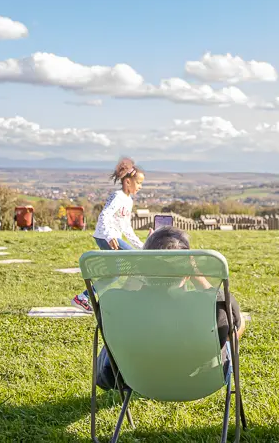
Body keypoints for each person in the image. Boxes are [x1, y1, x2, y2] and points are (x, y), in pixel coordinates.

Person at [93, 227, 245, 391]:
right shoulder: (216, 305)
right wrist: (197, 276)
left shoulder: (115, 303)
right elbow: (235, 332)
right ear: (187, 272)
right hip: (201, 383)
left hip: (136, 382)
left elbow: (124, 296)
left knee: (111, 335)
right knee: (234, 326)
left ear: (143, 270)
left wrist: (141, 264)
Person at [72, 158, 146, 313]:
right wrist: (109, 235)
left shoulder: (128, 200)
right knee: (137, 259)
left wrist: (143, 246)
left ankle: (83, 298)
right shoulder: (117, 196)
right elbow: (104, 215)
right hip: (107, 237)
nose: (140, 186)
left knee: (114, 275)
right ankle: (130, 298)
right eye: (138, 183)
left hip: (111, 237)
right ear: (127, 182)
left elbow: (126, 228)